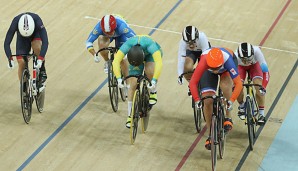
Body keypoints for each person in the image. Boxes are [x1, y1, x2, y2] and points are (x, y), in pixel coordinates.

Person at [189, 47, 243, 150]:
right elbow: (193, 82)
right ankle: (210, 134)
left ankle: (228, 117)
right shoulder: (204, 61)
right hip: (207, 70)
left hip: (225, 70)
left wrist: (231, 101)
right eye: (213, 68)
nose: (215, 71)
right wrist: (197, 100)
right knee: (207, 100)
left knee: (225, 86)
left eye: (216, 68)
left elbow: (238, 84)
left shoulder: (228, 60)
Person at [112, 35, 163, 128]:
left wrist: (154, 80)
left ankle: (153, 92)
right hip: (135, 58)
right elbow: (116, 61)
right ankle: (129, 116)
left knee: (149, 71)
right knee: (133, 84)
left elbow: (159, 63)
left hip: (151, 56)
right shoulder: (128, 45)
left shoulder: (151, 45)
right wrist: (119, 78)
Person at [4, 12, 48, 91]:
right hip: (22, 38)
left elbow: (45, 41)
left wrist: (41, 59)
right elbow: (7, 43)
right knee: (21, 61)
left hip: (35, 35)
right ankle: (24, 86)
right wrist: (10, 59)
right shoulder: (15, 22)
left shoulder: (37, 20)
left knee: (37, 47)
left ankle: (42, 71)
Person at [235, 42, 269, 125]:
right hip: (240, 67)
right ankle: (242, 106)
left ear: (253, 54)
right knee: (237, 87)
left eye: (248, 59)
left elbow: (266, 72)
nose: (246, 61)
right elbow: (231, 74)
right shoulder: (235, 56)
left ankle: (261, 114)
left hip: (254, 65)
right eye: (244, 59)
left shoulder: (257, 51)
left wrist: (263, 87)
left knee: (258, 86)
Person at [177, 26, 210, 95]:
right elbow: (181, 60)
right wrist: (180, 75)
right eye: (188, 43)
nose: (191, 45)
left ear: (197, 38)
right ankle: (192, 84)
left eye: (193, 42)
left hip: (203, 51)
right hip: (191, 52)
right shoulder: (182, 42)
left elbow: (205, 57)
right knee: (187, 67)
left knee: (205, 69)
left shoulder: (202, 37)